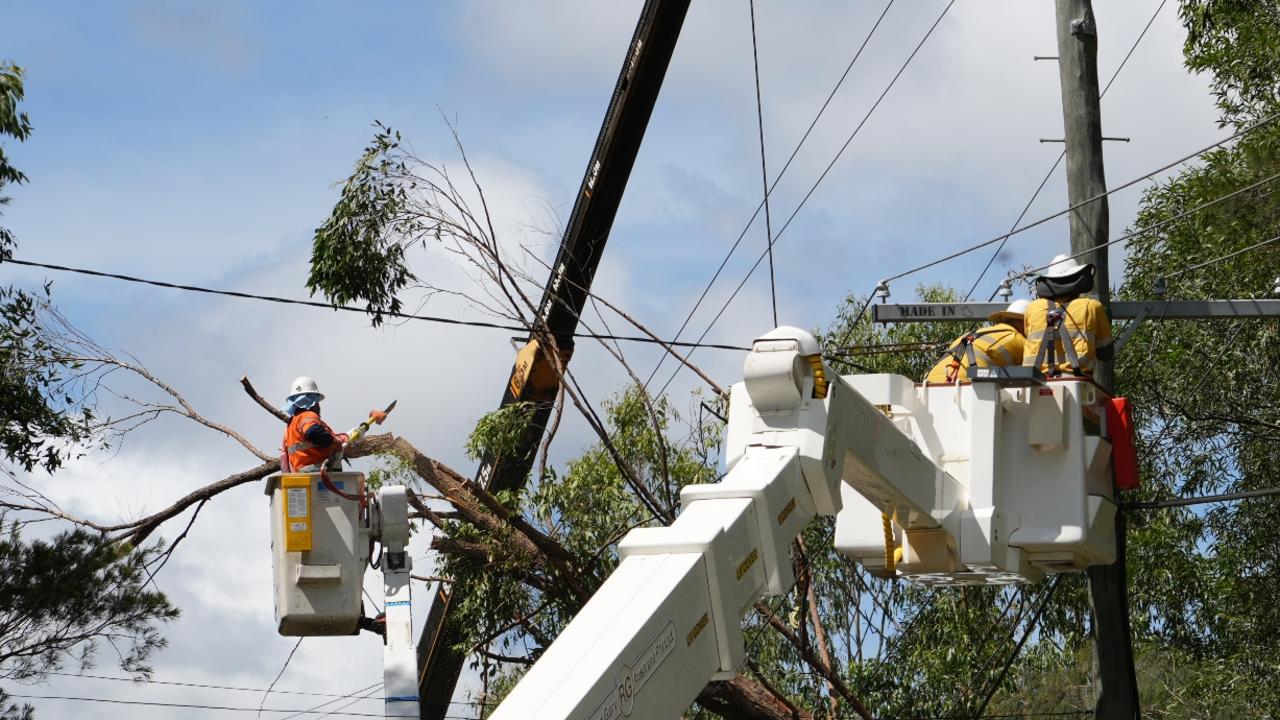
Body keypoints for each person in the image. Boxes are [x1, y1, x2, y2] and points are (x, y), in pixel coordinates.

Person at [1021, 254, 1113, 377]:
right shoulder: (1092, 306)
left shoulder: (1032, 308)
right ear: (1079, 279)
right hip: (1075, 381)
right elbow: (1105, 353)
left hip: (1034, 381)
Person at [280, 376, 388, 472]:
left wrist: (346, 436)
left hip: (301, 473)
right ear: (313, 401)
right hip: (316, 472)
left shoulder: (291, 425)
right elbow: (314, 432)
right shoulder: (307, 416)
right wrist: (334, 441)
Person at [925, 299, 1029, 384]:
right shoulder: (1017, 339)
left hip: (930, 382)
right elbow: (1039, 373)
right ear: (1025, 322)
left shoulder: (972, 334)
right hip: (965, 386)